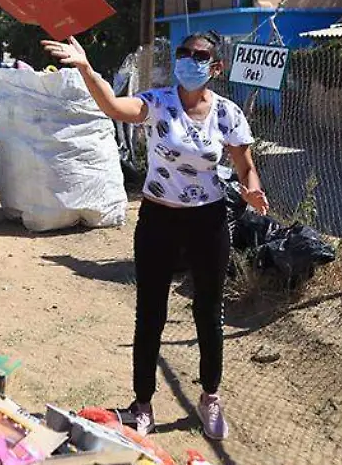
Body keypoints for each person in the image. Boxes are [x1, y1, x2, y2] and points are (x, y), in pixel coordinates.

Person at [43, 32, 268, 441]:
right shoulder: (158, 102)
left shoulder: (228, 113)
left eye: (199, 56)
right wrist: (86, 68)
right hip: (158, 220)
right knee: (150, 314)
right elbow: (113, 106)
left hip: (208, 222)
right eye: (184, 53)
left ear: (216, 67)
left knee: (208, 312)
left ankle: (210, 396)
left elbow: (246, 166)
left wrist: (252, 190)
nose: (189, 60)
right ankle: (142, 404)